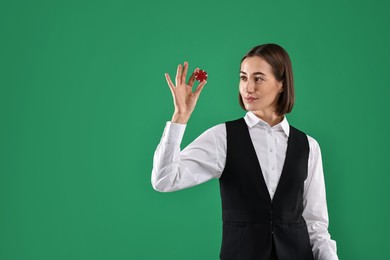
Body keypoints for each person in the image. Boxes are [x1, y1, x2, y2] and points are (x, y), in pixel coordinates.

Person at [151, 43, 338, 260]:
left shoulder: (308, 146)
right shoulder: (223, 137)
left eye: (258, 78)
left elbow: (316, 225)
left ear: (282, 84)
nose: (248, 88)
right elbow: (164, 180)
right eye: (243, 77)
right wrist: (179, 118)